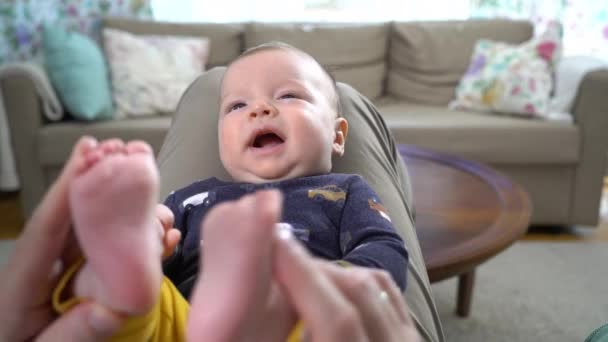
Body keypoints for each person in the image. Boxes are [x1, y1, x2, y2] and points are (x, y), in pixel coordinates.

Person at [0, 136, 419, 341]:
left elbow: (383, 245)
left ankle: (240, 302)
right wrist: (148, 243)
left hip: (299, 315)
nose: (260, 108)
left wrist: (335, 280)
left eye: (290, 96)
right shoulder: (192, 194)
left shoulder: (345, 187)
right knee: (145, 301)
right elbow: (169, 253)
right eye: (237, 105)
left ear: (337, 134)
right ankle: (110, 280)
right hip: (187, 319)